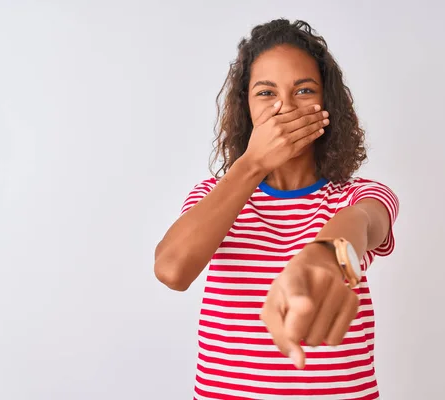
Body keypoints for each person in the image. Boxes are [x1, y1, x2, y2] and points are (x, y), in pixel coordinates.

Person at [154, 18, 399, 400]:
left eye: (303, 90)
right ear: (246, 107)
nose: (284, 106)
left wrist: (329, 257)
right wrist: (252, 164)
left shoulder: (357, 195)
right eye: (266, 93)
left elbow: (363, 224)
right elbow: (172, 270)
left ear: (327, 105)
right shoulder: (213, 196)